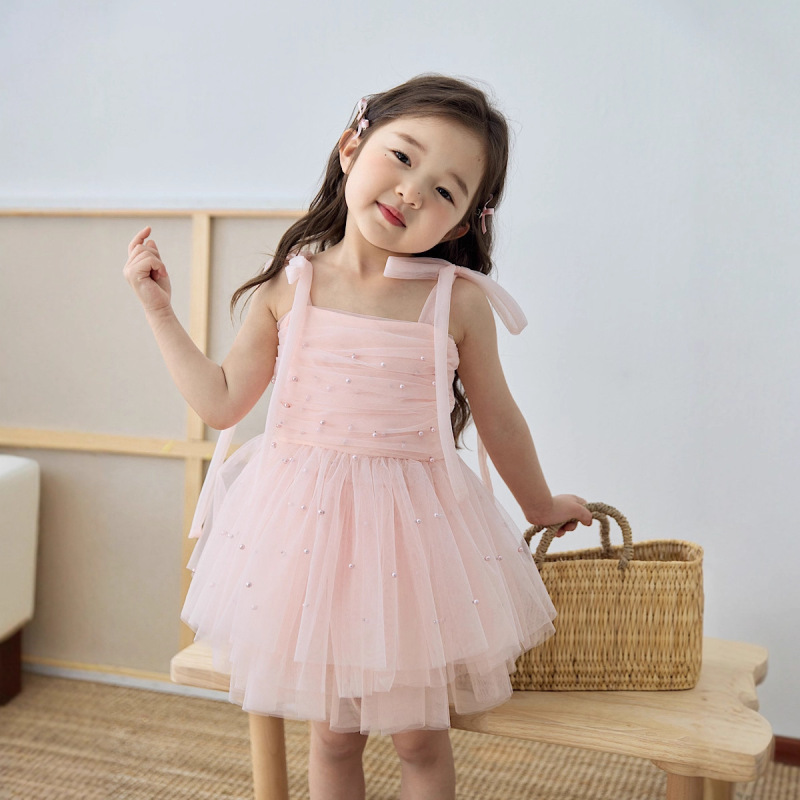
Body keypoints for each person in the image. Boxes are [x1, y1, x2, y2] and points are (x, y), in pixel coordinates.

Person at [123, 74, 592, 800]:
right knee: (335, 737)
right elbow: (221, 401)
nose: (412, 192)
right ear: (351, 148)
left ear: (462, 225)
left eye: (445, 191)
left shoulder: (457, 301)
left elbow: (499, 417)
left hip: (416, 538)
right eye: (403, 157)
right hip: (305, 539)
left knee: (420, 739)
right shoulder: (293, 286)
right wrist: (159, 311)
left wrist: (540, 505)